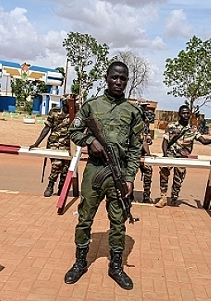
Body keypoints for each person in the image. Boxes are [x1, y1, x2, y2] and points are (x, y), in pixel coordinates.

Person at [64, 61, 144, 290]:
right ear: (106, 78)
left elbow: (136, 148)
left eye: (123, 79)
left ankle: (116, 266)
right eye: (115, 77)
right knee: (84, 218)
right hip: (95, 171)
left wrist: (129, 178)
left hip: (118, 173)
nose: (119, 82)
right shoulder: (91, 106)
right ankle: (80, 262)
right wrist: (90, 141)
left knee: (118, 222)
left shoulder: (133, 112)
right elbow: (74, 131)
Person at [156, 105, 211, 208]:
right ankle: (163, 198)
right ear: (179, 114)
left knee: (178, 180)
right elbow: (165, 141)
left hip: (182, 158)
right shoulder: (171, 126)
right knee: (164, 175)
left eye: (187, 113)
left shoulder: (193, 129)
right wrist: (165, 156)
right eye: (183, 113)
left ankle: (174, 199)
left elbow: (203, 141)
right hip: (170, 155)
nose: (186, 115)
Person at [29, 96, 71, 197]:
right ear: (64, 102)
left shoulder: (75, 114)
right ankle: (50, 185)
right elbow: (47, 128)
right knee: (57, 165)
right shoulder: (54, 112)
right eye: (69, 102)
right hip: (54, 144)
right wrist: (36, 143)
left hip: (68, 145)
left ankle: (62, 188)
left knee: (65, 168)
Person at [138, 102, 154, 203]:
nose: (144, 109)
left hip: (143, 152)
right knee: (129, 174)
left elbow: (146, 134)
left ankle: (146, 196)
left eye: (145, 107)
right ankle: (128, 196)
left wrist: (149, 139)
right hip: (132, 152)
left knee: (148, 172)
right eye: (142, 107)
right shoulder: (132, 120)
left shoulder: (145, 121)